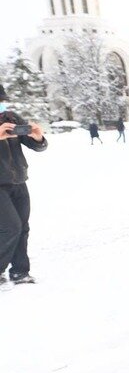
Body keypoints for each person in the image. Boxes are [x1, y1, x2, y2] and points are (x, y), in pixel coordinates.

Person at [0, 84, 47, 285]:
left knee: (23, 227)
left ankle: (20, 271)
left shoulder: (11, 117)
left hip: (19, 180)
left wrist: (38, 137)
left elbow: (36, 145)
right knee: (11, 227)